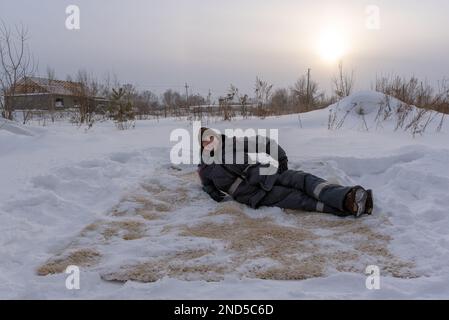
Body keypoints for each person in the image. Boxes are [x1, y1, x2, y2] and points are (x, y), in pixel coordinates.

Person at [198, 127, 373, 218]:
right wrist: (216, 195)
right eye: (205, 141)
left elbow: (263, 143)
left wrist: (280, 158)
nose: (210, 142)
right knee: (299, 199)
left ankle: (348, 195)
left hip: (269, 174)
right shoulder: (205, 167)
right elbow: (208, 187)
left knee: (304, 179)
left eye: (211, 137)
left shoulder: (233, 143)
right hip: (253, 195)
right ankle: (350, 207)